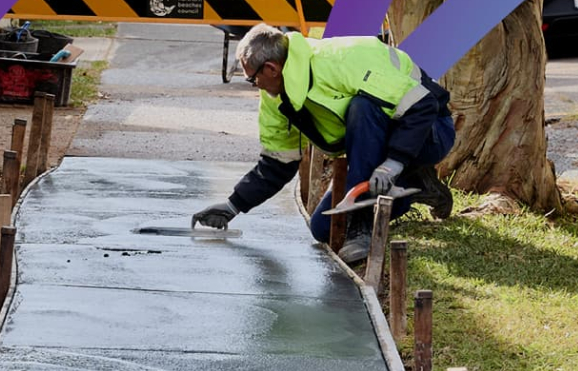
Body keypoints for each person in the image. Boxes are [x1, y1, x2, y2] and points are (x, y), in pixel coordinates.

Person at [191, 23, 455, 264]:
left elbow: (423, 106)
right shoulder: (276, 100)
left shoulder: (341, 61)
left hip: (428, 132)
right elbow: (277, 163)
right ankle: (415, 185)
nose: (254, 85)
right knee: (323, 228)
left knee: (362, 108)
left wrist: (393, 163)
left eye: (252, 79)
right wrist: (233, 205)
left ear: (271, 68)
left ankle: (360, 228)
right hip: (377, 150)